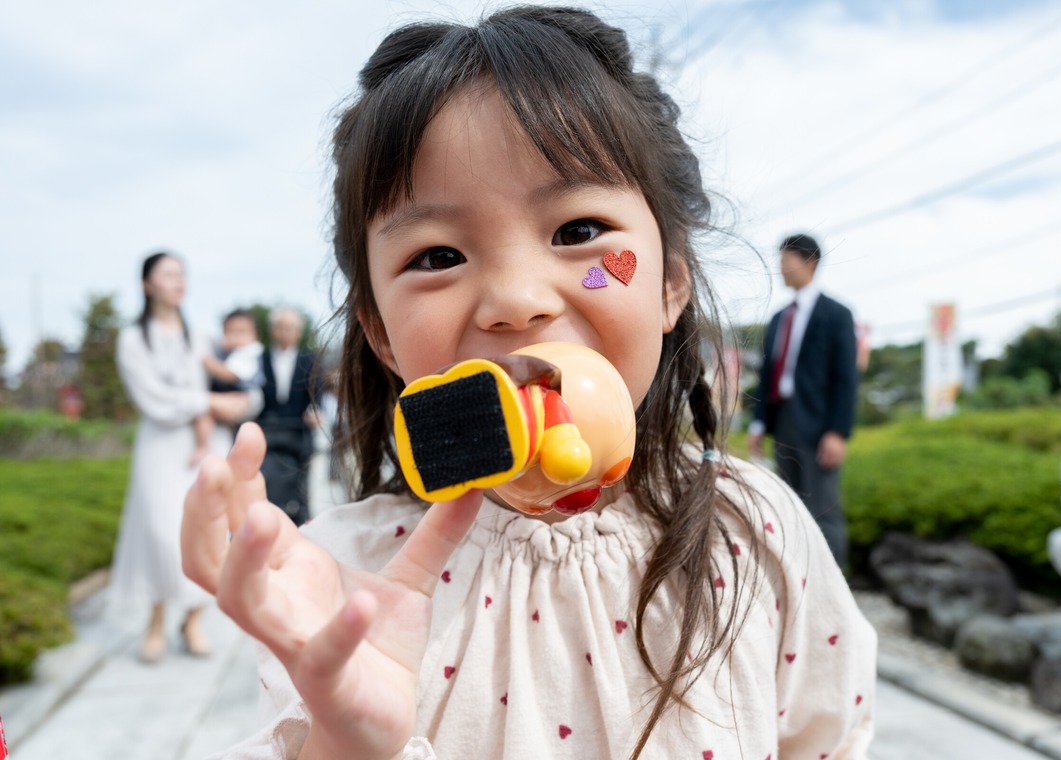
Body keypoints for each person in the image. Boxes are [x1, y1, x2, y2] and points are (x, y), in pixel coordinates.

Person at [182, 7, 876, 759]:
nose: (517, 298)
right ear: (379, 330)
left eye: (578, 231)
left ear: (671, 282)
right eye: (438, 255)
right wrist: (347, 742)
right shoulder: (336, 578)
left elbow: (831, 736)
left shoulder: (753, 530)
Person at [111, 252, 253, 662]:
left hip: (207, 442)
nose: (179, 281)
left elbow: (232, 380)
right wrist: (207, 401)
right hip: (161, 445)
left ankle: (193, 620)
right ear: (147, 284)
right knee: (159, 532)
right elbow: (153, 399)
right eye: (169, 274)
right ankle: (155, 620)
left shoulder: (202, 337)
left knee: (206, 528)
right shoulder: (132, 339)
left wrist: (231, 402)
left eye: (182, 274)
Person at [748, 234, 859, 571]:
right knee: (791, 505)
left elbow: (846, 377)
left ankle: (834, 589)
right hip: (782, 418)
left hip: (819, 424)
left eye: (786, 261)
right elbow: (769, 374)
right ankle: (801, 581)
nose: (780, 269)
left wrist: (838, 431)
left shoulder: (837, 314)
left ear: (809, 262)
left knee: (823, 508)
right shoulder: (780, 317)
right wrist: (758, 422)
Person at [256, 307, 323, 526]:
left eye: (292, 328)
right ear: (273, 329)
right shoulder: (259, 358)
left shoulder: (309, 359)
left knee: (300, 487)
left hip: (299, 433)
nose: (286, 332)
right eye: (282, 327)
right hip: (268, 433)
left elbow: (317, 392)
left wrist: (316, 411)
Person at [197, 308, 266, 453]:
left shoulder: (249, 352)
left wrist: (209, 363)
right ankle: (208, 444)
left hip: (246, 397)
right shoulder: (228, 352)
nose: (235, 337)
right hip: (236, 396)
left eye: (241, 332)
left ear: (255, 335)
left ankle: (203, 446)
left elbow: (230, 374)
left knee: (206, 412)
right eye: (230, 332)